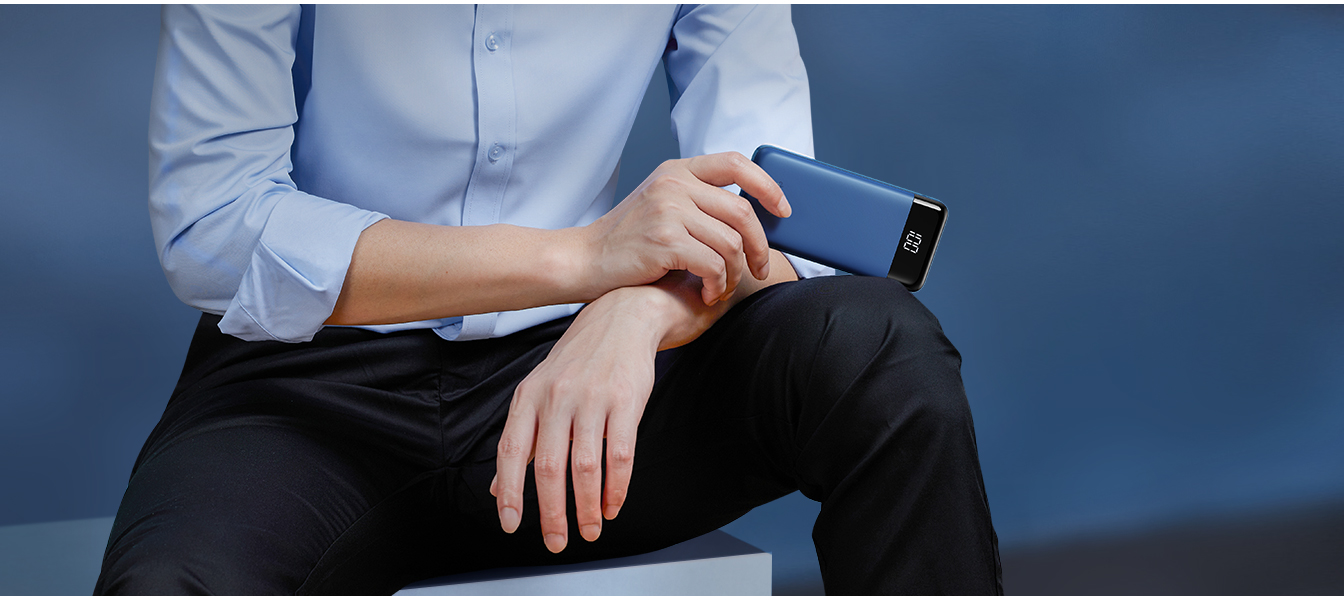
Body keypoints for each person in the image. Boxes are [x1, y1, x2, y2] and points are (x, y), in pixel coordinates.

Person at [95, 4, 1001, 595]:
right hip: (306, 389)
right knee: (172, 586)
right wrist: (584, 258)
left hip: (594, 381)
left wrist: (637, 309)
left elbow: (765, 202)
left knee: (879, 351)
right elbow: (214, 228)